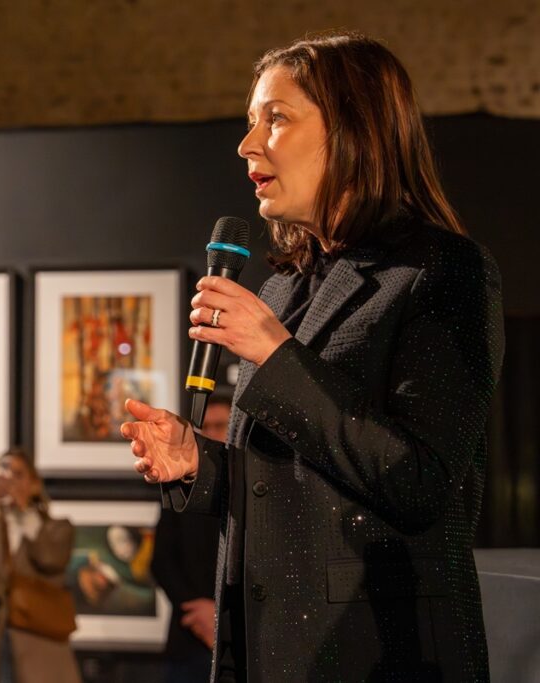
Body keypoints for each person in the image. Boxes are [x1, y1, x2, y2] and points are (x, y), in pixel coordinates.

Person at [120, 31, 504, 682]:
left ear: (356, 131)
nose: (247, 145)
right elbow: (294, 484)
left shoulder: (442, 271)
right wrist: (199, 466)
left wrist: (275, 354)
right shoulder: (286, 288)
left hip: (378, 658)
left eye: (276, 118)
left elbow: (419, 481)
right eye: (250, 121)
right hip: (266, 652)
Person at [0, 448, 81, 683]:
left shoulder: (58, 528)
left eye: (18, 475)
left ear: (35, 484)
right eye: (4, 474)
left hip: (39, 640)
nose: (10, 482)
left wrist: (24, 508)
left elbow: (49, 558)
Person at [150, 394, 230, 683]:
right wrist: (199, 611)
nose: (211, 435)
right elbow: (161, 561)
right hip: (188, 637)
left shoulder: (252, 490)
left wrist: (220, 615)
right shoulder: (179, 487)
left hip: (237, 635)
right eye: (204, 428)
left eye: (220, 426)